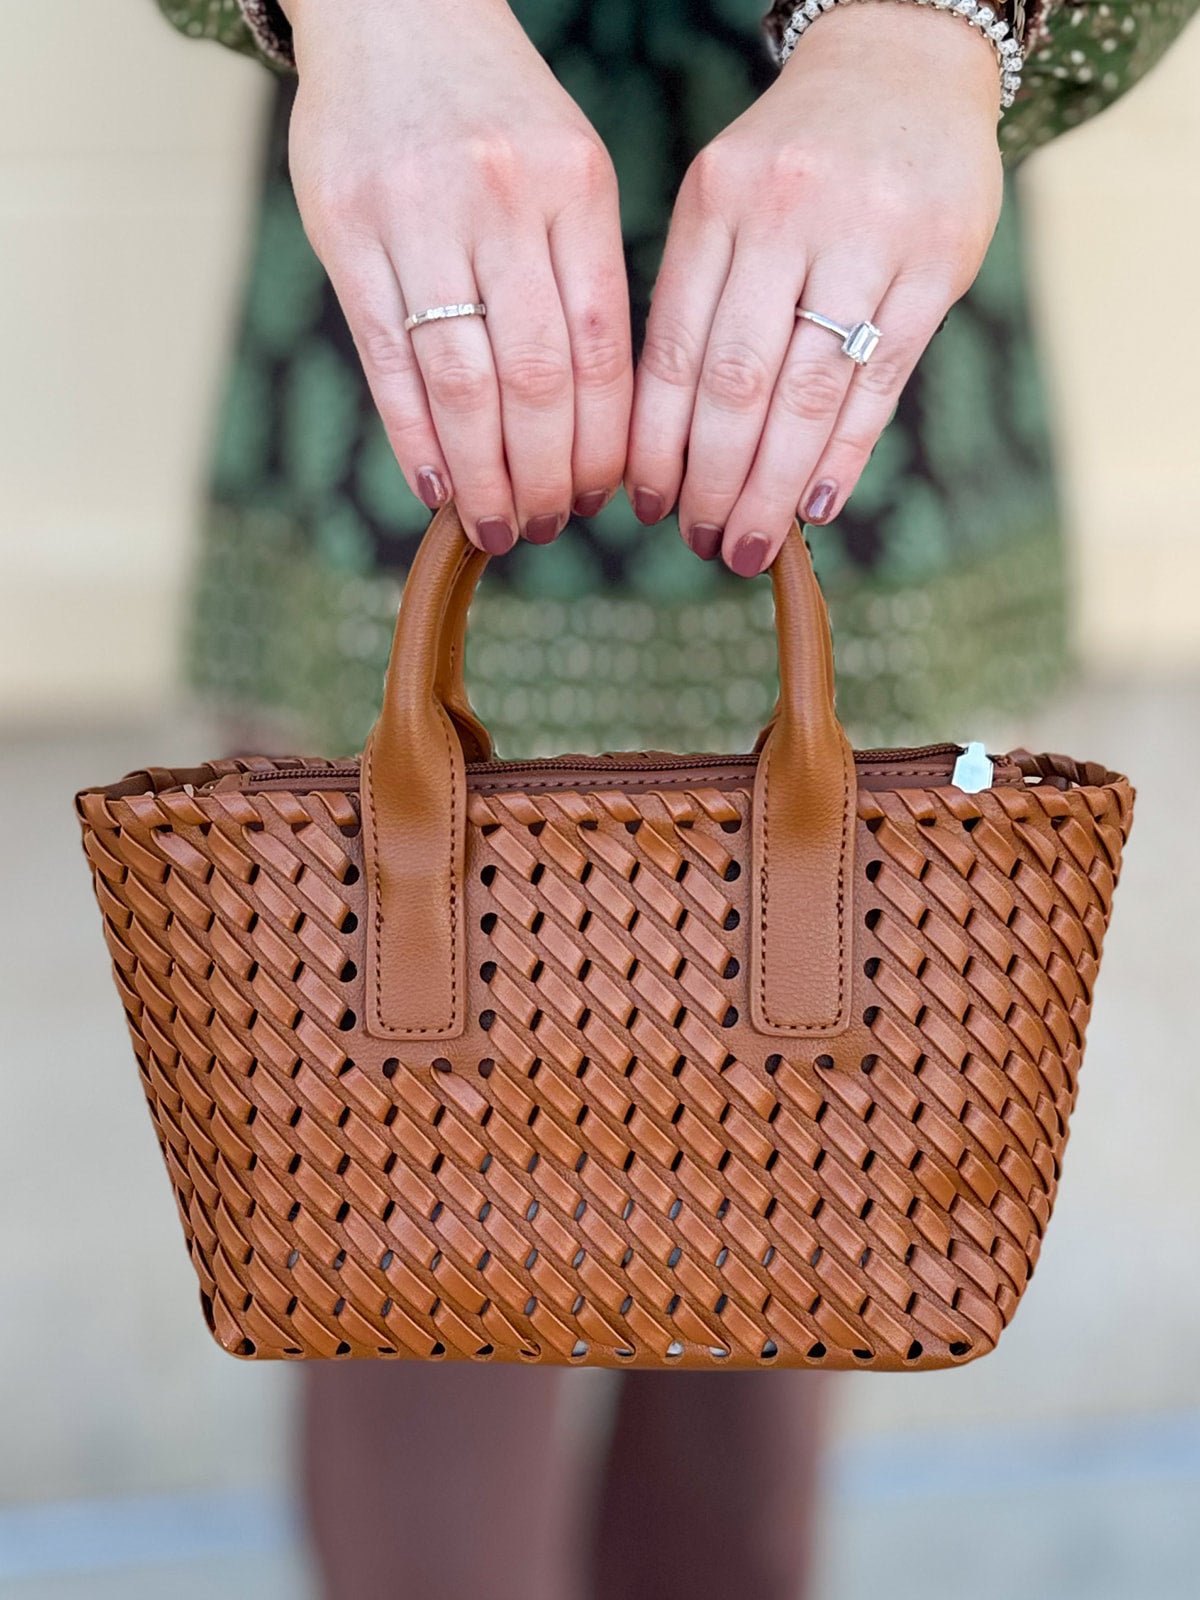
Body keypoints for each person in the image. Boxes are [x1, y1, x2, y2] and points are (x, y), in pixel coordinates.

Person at [154, 2, 1198, 1596]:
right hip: (424, 281)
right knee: (403, 1257)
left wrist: (926, 35)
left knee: (785, 1280)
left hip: (849, 314)